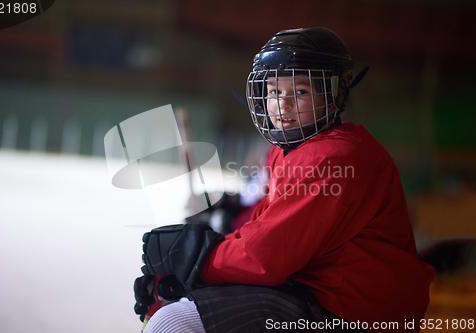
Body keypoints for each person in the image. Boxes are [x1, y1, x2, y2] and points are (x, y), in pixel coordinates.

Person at [134, 27, 435, 332]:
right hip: (320, 292)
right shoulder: (291, 151)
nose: (283, 105)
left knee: (175, 321)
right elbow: (264, 226)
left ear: (336, 94)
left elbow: (267, 257)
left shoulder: (336, 156)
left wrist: (196, 261)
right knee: (183, 304)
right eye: (275, 92)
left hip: (356, 315)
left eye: (300, 92)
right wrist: (198, 256)